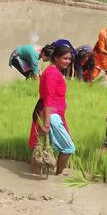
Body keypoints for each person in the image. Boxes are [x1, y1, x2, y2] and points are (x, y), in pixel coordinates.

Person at [29, 45, 75, 176]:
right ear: (56, 58)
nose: (68, 61)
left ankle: (41, 172)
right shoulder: (53, 73)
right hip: (51, 115)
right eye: (65, 58)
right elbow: (48, 98)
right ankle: (58, 176)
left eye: (69, 59)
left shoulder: (54, 71)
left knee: (42, 145)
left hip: (54, 114)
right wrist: (47, 123)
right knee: (68, 147)